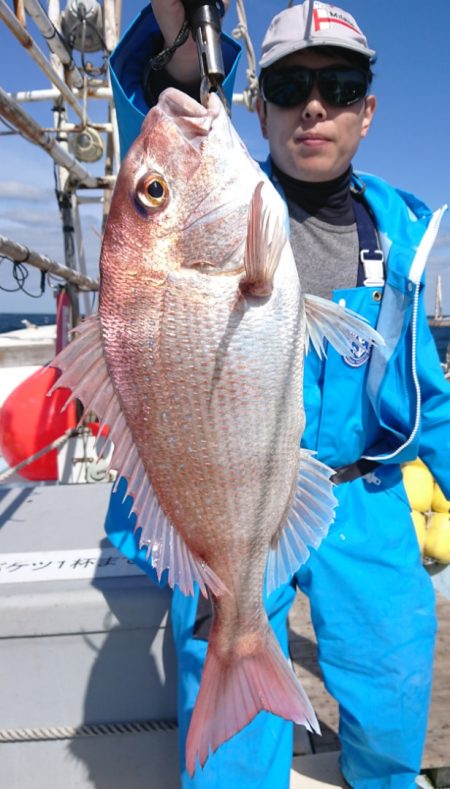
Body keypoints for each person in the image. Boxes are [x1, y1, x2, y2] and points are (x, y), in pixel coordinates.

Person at [105, 2, 450, 788]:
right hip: (235, 496)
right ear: (257, 107)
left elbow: (429, 396)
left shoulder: (396, 236)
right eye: (291, 85)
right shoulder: (221, 197)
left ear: (369, 109)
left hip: (367, 495)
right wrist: (176, 34)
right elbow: (158, 129)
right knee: (231, 740)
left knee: (394, 691)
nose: (315, 105)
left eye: (339, 83)